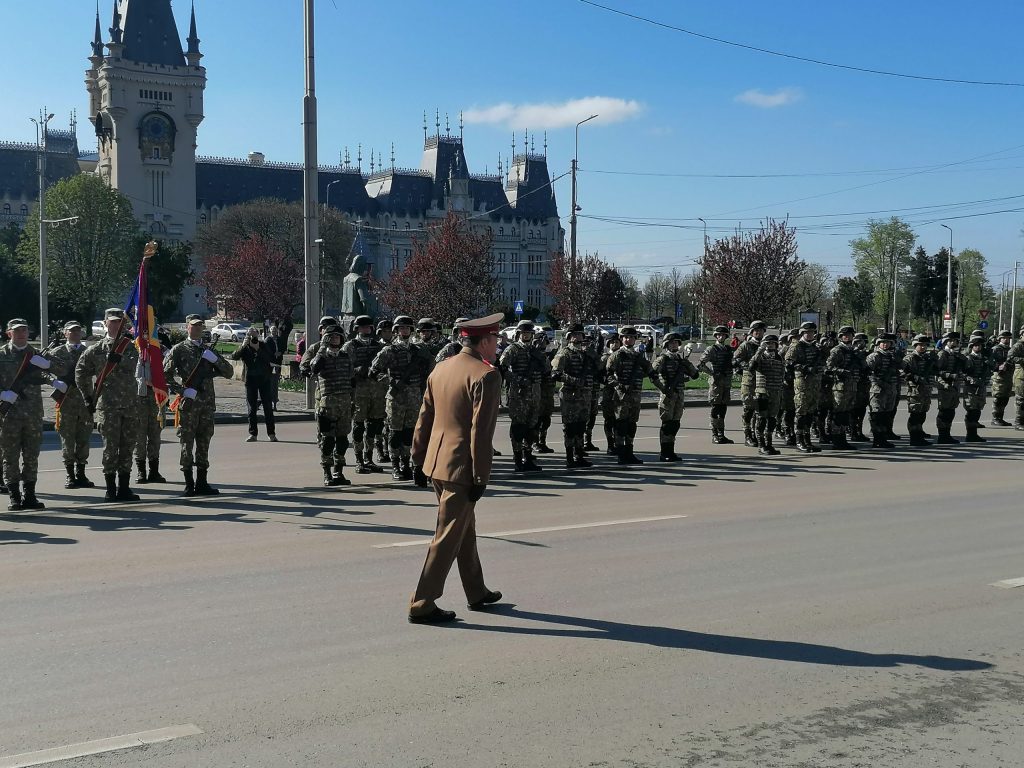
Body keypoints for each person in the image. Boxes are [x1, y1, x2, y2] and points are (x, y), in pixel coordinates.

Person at [408, 313, 504, 624]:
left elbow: (425, 418)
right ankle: (422, 603)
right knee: (447, 535)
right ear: (485, 341)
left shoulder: (441, 368)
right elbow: (480, 432)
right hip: (462, 468)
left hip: (437, 463)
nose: (498, 345)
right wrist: (480, 476)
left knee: (465, 528)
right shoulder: (486, 375)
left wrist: (417, 458)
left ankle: (476, 591)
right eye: (496, 340)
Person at [163, 314, 234, 496]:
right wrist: (181, 390)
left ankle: (202, 482)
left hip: (207, 404)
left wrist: (214, 360)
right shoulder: (178, 349)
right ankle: (189, 483)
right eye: (193, 326)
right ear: (187, 327)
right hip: (189, 404)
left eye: (200, 326)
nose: (197, 329)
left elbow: (228, 372)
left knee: (204, 442)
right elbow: (165, 374)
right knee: (186, 443)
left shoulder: (207, 350)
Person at [76, 308, 142, 502]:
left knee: (128, 447)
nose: (116, 325)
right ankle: (111, 489)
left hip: (130, 405)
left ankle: (124, 487)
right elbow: (81, 372)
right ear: (105, 323)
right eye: (112, 322)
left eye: (119, 322)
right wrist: (88, 397)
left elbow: (140, 368)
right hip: (108, 407)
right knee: (111, 449)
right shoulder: (96, 350)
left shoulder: (131, 347)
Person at [369, 315, 429, 481]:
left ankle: (406, 463)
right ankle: (395, 465)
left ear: (411, 330)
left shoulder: (417, 350)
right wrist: (390, 380)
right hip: (396, 398)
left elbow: (427, 371)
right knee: (395, 433)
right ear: (396, 330)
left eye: (407, 328)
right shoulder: (389, 351)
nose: (404, 331)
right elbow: (373, 372)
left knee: (409, 433)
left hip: (414, 397)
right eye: (401, 328)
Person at [0, 318, 50, 511]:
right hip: (9, 415)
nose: (22, 334)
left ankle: (30, 494)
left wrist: (47, 365)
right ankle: (14, 496)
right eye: (17, 331)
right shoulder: (2, 355)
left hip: (32, 414)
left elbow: (60, 370)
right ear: (9, 333)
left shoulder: (35, 354)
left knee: (31, 456)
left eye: (25, 330)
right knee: (10, 456)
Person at [44, 320, 96, 489]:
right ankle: (70, 475)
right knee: (68, 439)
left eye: (77, 331)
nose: (74, 334)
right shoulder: (56, 352)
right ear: (65, 333)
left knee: (83, 438)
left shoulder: (89, 352)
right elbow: (43, 370)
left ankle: (81, 474)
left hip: (84, 401)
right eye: (71, 331)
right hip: (66, 402)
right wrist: (53, 382)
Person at [311, 324, 354, 485]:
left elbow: (351, 378)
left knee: (342, 439)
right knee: (328, 440)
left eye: (337, 336)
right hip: (328, 403)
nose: (335, 339)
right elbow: (314, 368)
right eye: (331, 337)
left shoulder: (345, 356)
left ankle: (338, 471)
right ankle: (327, 472)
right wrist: (322, 347)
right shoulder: (321, 357)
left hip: (344, 402)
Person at [499, 319, 543, 472]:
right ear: (518, 334)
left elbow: (547, 369)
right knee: (519, 427)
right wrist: (519, 379)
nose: (526, 336)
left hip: (534, 394)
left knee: (532, 427)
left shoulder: (535, 351)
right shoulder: (513, 349)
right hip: (518, 394)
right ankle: (518, 459)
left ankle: (528, 456)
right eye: (523, 333)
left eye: (529, 333)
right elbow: (503, 369)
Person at [343, 315, 385, 473]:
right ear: (357, 329)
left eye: (368, 327)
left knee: (373, 426)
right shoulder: (350, 346)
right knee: (359, 426)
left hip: (376, 391)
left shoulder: (378, 346)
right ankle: (359, 460)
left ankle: (369, 458)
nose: (366, 330)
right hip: (359, 391)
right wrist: (356, 371)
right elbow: (343, 366)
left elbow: (385, 365)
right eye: (363, 327)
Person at [606, 326, 653, 465]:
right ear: (622, 339)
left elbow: (649, 370)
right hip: (622, 396)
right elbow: (608, 375)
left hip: (635, 394)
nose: (628, 340)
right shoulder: (616, 355)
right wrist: (618, 386)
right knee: (621, 424)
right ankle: (621, 454)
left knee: (632, 424)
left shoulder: (638, 355)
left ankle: (629, 452)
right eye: (626, 337)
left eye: (631, 337)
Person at [650, 332, 700, 461]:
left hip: (679, 396)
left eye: (676, 342)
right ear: (666, 344)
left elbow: (695, 375)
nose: (674, 345)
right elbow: (652, 375)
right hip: (667, 396)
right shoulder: (662, 359)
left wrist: (686, 364)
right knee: (667, 425)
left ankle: (671, 451)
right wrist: (663, 389)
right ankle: (664, 453)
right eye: (672, 342)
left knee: (675, 424)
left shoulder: (680, 360)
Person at [552, 323, 594, 469]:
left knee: (581, 426)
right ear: (569, 337)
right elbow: (556, 373)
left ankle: (579, 455)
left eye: (580, 335)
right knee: (570, 427)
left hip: (584, 395)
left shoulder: (585, 354)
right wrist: (574, 380)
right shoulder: (564, 353)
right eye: (574, 335)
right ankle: (570, 457)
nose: (577, 337)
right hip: (570, 395)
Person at [230, 326, 278, 442]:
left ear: (258, 335)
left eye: (254, 335)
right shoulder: (245, 347)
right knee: (251, 408)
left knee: (267, 407)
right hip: (250, 380)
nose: (253, 337)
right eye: (250, 335)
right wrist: (243, 345)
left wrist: (258, 349)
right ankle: (253, 434)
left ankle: (271, 433)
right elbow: (234, 356)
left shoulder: (262, 345)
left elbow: (269, 358)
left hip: (264, 379)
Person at [785, 321, 824, 453]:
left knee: (810, 412)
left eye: (812, 332)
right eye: (807, 332)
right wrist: (804, 368)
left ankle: (807, 439)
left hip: (814, 382)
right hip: (802, 381)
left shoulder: (816, 347)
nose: (809, 334)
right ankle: (799, 440)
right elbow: (788, 362)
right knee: (801, 411)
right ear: (802, 333)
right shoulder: (796, 346)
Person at [747, 333, 785, 456]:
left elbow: (782, 374)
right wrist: (760, 350)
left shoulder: (779, 358)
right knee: (761, 419)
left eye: (773, 343)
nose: (770, 345)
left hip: (775, 392)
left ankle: (769, 444)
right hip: (762, 392)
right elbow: (751, 366)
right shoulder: (760, 357)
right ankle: (761, 445)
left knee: (772, 419)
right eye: (768, 343)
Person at [698, 325, 735, 444]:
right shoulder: (712, 349)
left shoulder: (729, 349)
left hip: (726, 381)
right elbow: (701, 364)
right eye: (719, 335)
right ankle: (714, 434)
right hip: (716, 383)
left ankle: (721, 434)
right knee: (715, 408)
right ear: (716, 336)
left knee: (723, 408)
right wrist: (712, 373)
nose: (721, 337)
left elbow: (733, 363)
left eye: (723, 335)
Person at [732, 320, 766, 447]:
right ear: (752, 332)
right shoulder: (746, 345)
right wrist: (746, 366)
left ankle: (758, 433)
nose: (758, 333)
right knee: (748, 409)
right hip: (749, 381)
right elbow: (735, 359)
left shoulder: (766, 345)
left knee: (760, 411)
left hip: (762, 381)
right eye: (756, 331)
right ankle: (748, 435)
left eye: (761, 330)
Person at [865, 333, 900, 449]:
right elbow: (868, 373)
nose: (885, 344)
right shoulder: (874, 356)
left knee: (886, 414)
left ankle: (883, 438)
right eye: (882, 342)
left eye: (887, 342)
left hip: (890, 389)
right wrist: (880, 383)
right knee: (876, 414)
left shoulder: (892, 356)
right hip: (877, 390)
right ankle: (877, 439)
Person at [901, 334, 936, 447]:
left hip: (926, 389)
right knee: (915, 415)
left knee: (922, 414)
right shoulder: (910, 358)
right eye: (920, 345)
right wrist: (915, 378)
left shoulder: (927, 358)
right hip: (915, 390)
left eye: (925, 345)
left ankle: (919, 434)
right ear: (915, 345)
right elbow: (903, 372)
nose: (922, 347)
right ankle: (914, 438)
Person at [934, 332, 965, 444]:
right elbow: (937, 371)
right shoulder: (942, 354)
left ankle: (947, 434)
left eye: (955, 341)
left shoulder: (956, 355)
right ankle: (942, 435)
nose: (953, 342)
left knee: (950, 411)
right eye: (951, 340)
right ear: (946, 342)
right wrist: (950, 376)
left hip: (954, 386)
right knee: (944, 411)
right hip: (944, 385)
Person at [961, 336, 991, 443]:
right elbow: (962, 372)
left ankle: (974, 434)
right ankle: (970, 435)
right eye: (976, 345)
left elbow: (989, 371)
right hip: (970, 387)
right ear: (971, 346)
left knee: (977, 410)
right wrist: (970, 379)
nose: (978, 347)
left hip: (981, 386)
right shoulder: (968, 358)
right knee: (971, 410)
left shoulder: (984, 359)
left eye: (980, 345)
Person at [532, 332, 557, 454]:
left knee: (546, 419)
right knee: (536, 419)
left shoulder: (547, 356)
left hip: (548, 392)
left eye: (544, 343)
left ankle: (542, 441)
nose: (542, 345)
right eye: (538, 343)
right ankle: (535, 442)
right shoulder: (532, 357)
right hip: (538, 391)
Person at [599, 333, 622, 455]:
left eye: (617, 342)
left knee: (620, 420)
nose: (615, 344)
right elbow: (598, 374)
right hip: (609, 392)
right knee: (609, 420)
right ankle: (610, 444)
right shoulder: (604, 358)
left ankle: (619, 443)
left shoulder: (623, 356)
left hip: (622, 393)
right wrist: (607, 380)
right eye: (612, 342)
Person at [989, 330, 1014, 426]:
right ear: (1000, 339)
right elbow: (990, 362)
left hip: (1008, 376)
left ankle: (1000, 417)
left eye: (1008, 338)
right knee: (998, 397)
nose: (1006, 340)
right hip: (999, 376)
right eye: (1004, 338)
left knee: (1005, 398)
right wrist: (997, 367)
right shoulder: (995, 349)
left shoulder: (1010, 349)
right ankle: (995, 418)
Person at [1008, 328, 1024, 430]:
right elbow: (1010, 356)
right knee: (1020, 399)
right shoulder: (1018, 345)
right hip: (1021, 376)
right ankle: (1018, 422)